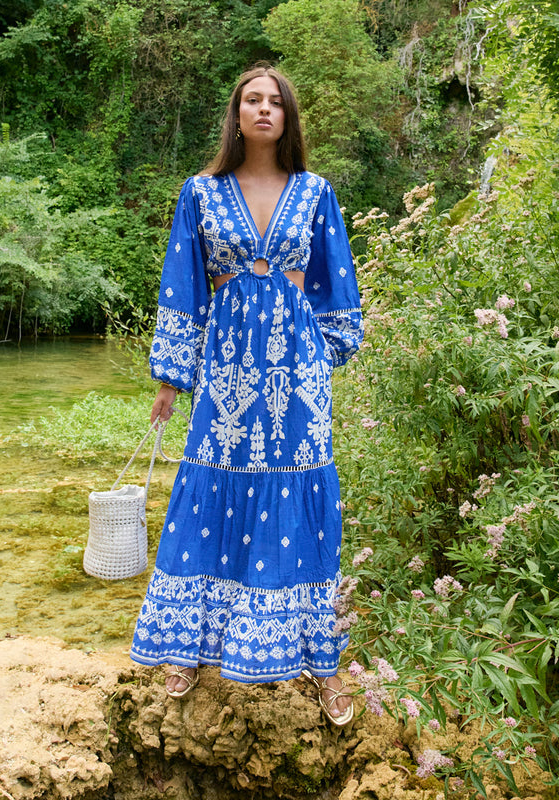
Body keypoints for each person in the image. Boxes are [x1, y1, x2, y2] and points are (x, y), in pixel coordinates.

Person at [130, 64, 363, 726]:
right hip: (226, 370)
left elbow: (336, 281)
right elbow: (183, 284)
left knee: (302, 490)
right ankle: (190, 645)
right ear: (236, 115)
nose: (263, 109)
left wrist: (322, 353)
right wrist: (172, 378)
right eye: (251, 100)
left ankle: (322, 660)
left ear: (288, 116)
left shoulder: (315, 192)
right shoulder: (201, 192)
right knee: (211, 485)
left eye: (274, 101)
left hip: (296, 371)